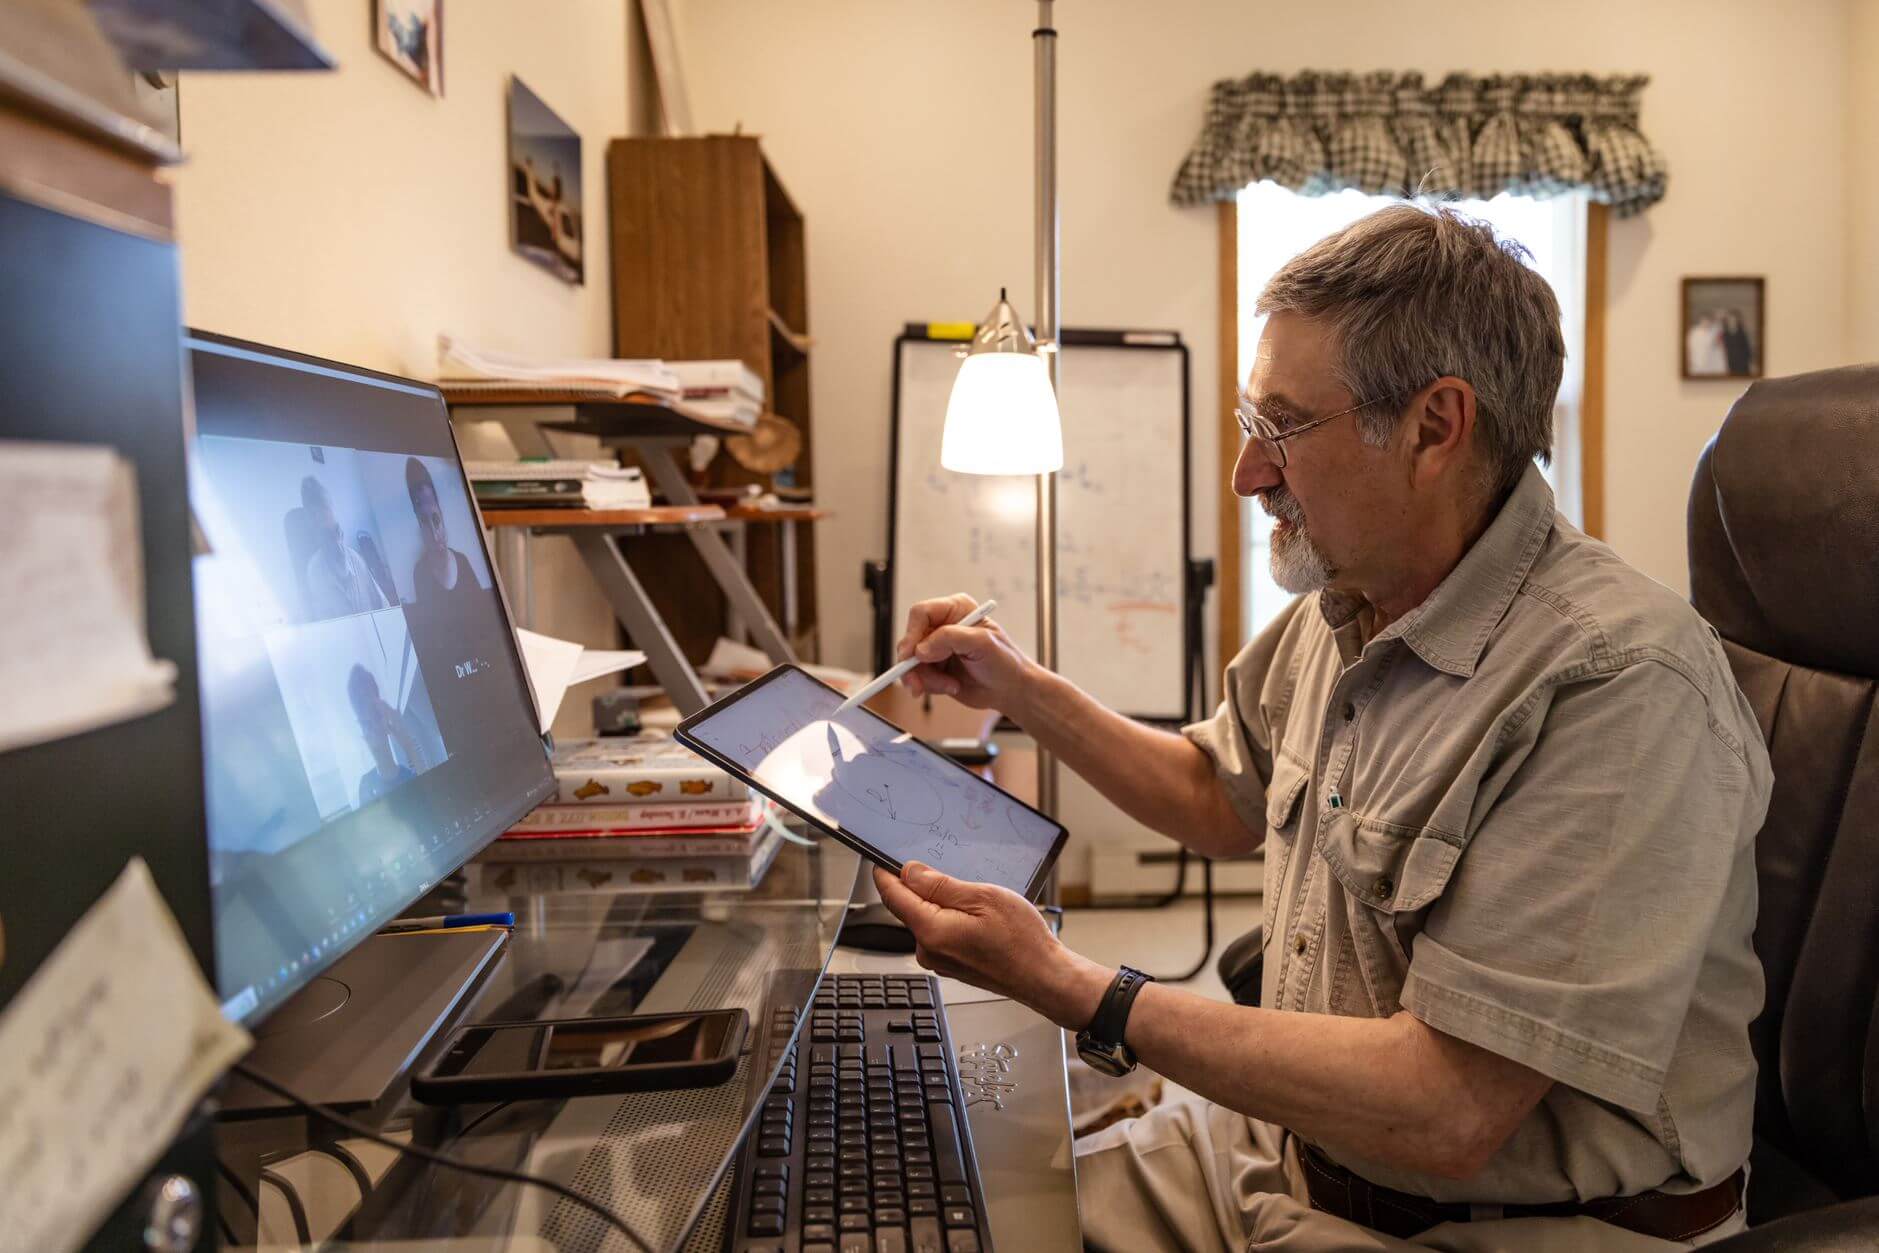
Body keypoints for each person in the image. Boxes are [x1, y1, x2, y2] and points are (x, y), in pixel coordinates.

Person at [877, 204, 1770, 1250]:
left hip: (1505, 1225)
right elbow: (1218, 794)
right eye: (1251, 425)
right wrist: (1019, 686)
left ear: (1436, 427)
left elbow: (1445, 1109)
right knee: (926, 1200)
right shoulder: (1346, 600)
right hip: (1286, 1157)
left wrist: (1076, 988)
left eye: (1281, 429)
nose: (1247, 475)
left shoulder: (1618, 684)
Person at [300, 475, 388, 620]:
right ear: (317, 536)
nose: (338, 543)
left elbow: (384, 605)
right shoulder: (314, 572)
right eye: (328, 535)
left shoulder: (355, 558)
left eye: (337, 531)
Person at [346, 663, 429, 808]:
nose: (371, 723)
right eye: (364, 722)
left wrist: (408, 744)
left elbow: (435, 800)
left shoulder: (410, 777)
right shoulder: (365, 787)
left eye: (375, 713)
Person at [404, 456, 481, 606]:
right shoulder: (420, 574)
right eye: (424, 522)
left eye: (436, 519)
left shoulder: (463, 561)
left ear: (442, 515)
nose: (434, 534)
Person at [1721, 309, 1753, 376]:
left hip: (1741, 361)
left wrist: (1748, 359)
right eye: (1730, 319)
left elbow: (1746, 348)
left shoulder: (1742, 333)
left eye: (1734, 319)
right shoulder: (1725, 333)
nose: (1732, 321)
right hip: (1730, 360)